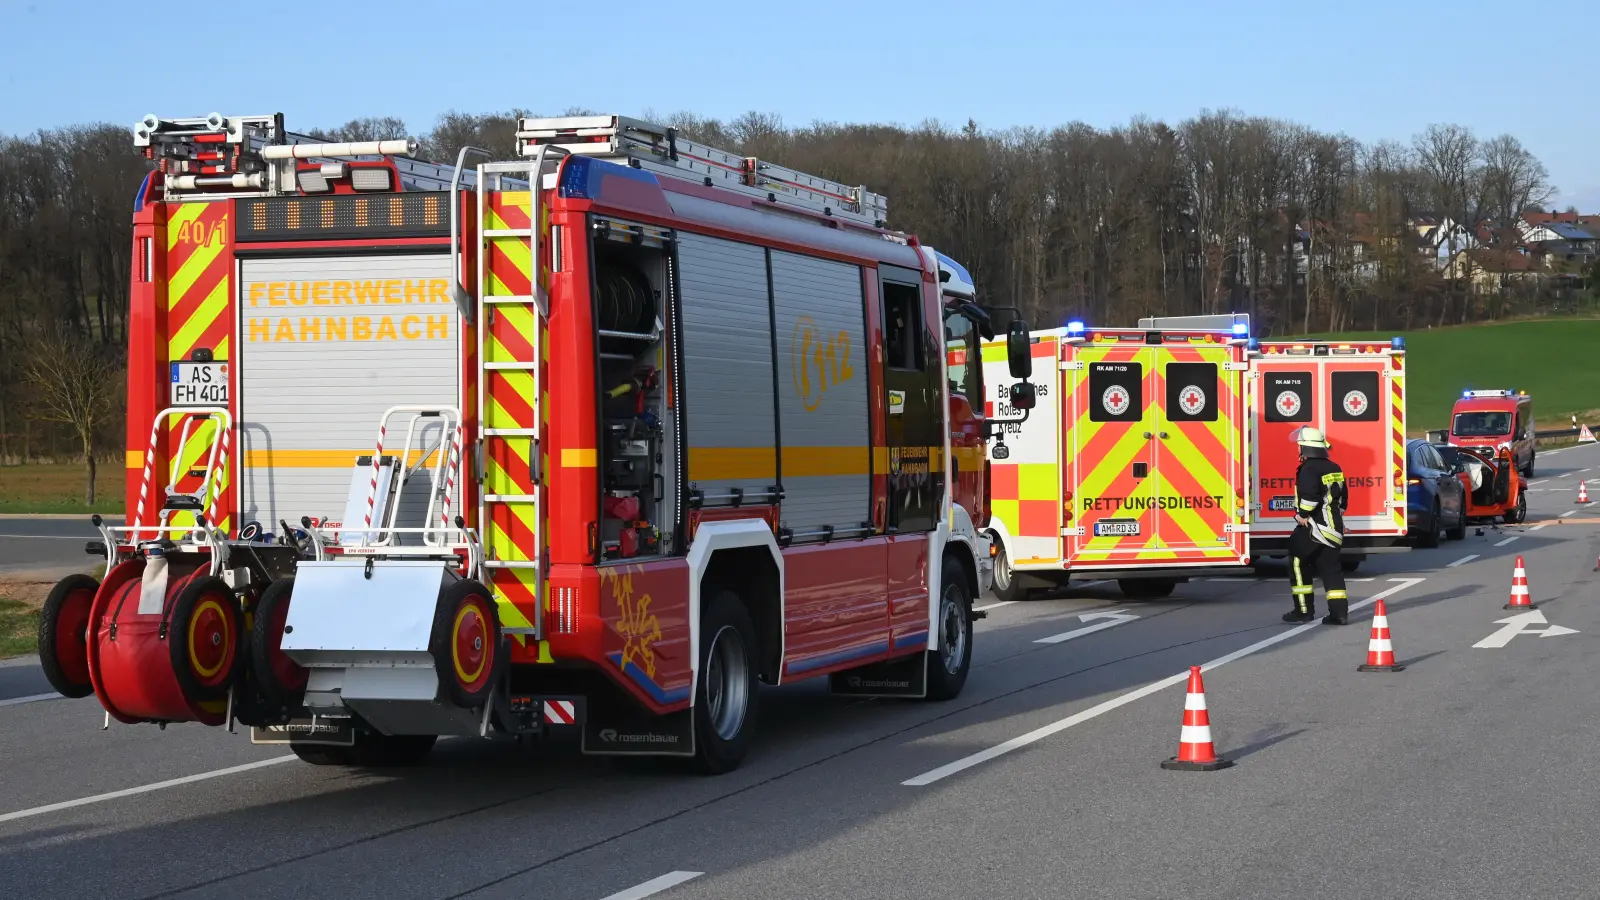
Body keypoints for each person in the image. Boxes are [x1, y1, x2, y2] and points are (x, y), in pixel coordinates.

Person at [1283, 426, 1349, 625]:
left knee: (1296, 561)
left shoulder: (1309, 468)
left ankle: (1303, 611)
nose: (1298, 449)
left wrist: (1302, 514)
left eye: (1299, 446)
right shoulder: (1334, 467)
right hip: (1334, 528)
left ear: (1305, 448)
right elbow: (1343, 500)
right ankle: (1339, 614)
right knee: (1331, 569)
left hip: (1314, 527)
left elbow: (1310, 497)